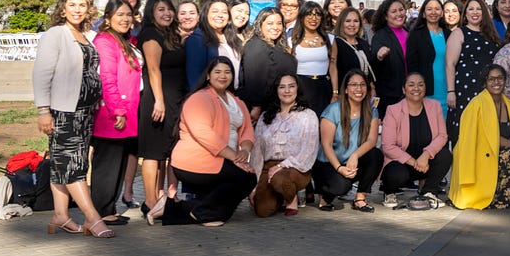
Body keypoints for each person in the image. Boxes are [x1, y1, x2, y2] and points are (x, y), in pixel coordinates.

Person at [33, 0, 114, 238]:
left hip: (84, 112)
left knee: (61, 165)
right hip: (63, 111)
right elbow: (41, 73)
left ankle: (60, 215)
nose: (77, 9)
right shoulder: (56, 34)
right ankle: (93, 218)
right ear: (63, 8)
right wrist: (43, 110)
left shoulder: (84, 35)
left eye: (82, 5)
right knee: (73, 166)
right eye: (72, 4)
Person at [153, 57, 258, 227]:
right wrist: (234, 158)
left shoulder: (236, 101)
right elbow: (204, 134)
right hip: (195, 160)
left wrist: (244, 152)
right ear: (208, 76)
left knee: (243, 180)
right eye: (217, 72)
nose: (223, 76)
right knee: (245, 178)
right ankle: (200, 213)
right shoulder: (199, 98)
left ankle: (175, 209)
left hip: (223, 159)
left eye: (227, 72)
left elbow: (247, 130)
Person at [90, 0, 142, 225]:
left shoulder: (126, 40)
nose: (125, 19)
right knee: (107, 165)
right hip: (111, 114)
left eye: (128, 15)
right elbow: (107, 79)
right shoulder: (105, 41)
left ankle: (109, 208)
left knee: (118, 164)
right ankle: (100, 212)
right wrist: (117, 109)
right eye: (120, 14)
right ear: (108, 18)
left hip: (127, 113)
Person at [136, 0, 186, 219]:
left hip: (172, 100)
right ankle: (149, 201)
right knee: (153, 153)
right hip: (158, 101)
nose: (167, 13)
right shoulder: (150, 35)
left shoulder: (170, 35)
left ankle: (162, 198)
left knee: (166, 151)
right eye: (160, 10)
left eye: (169, 9)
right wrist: (159, 100)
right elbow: (154, 69)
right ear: (151, 14)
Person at [449, 64, 510, 209]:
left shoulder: (509, 104)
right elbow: (483, 138)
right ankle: (492, 198)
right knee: (508, 154)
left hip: (498, 151)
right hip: (479, 153)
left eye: (500, 78)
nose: (496, 82)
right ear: (485, 82)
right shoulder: (476, 104)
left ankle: (504, 198)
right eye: (492, 79)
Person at [314, 70, 384, 212]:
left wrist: (355, 155)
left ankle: (360, 198)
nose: (358, 89)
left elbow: (372, 140)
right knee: (341, 187)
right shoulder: (333, 110)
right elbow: (326, 145)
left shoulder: (371, 110)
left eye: (362, 85)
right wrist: (339, 168)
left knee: (375, 155)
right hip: (328, 163)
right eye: (353, 85)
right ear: (345, 89)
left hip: (352, 161)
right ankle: (325, 196)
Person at [250, 73, 319, 217]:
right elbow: (257, 152)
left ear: (297, 89)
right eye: (282, 87)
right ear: (276, 90)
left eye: (291, 86)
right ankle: (279, 196)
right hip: (268, 167)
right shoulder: (265, 116)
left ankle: (291, 199)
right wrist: (254, 186)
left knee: (279, 179)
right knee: (262, 210)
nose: (287, 91)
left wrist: (281, 166)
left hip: (296, 167)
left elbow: (308, 150)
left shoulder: (308, 115)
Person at [380, 72, 452, 205]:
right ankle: (389, 191)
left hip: (425, 163)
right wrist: (414, 162)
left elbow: (443, 136)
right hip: (402, 164)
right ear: (404, 89)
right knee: (396, 174)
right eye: (411, 85)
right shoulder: (393, 110)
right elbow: (388, 146)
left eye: (420, 84)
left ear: (425, 88)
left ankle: (428, 191)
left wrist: (426, 155)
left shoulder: (434, 106)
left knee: (445, 155)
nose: (416, 88)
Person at [445, 0, 502, 141]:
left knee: (485, 132)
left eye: (478, 9)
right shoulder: (459, 33)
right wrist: (451, 92)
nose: (475, 12)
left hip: (488, 89)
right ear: (465, 13)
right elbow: (450, 64)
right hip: (465, 88)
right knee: (466, 132)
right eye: (471, 9)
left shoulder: (491, 34)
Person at [239, 7, 298, 124]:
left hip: (274, 108)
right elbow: (253, 78)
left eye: (279, 23)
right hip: (260, 111)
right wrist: (256, 106)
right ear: (260, 25)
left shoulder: (275, 46)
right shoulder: (256, 46)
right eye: (270, 23)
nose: (275, 27)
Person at [290, 0, 338, 116]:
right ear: (302, 17)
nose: (313, 18)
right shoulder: (291, 41)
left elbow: (333, 67)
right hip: (301, 88)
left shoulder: (330, 39)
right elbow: (289, 70)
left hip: (323, 87)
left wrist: (335, 92)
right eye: (309, 14)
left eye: (317, 14)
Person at [406, 0, 451, 115]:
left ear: (442, 12)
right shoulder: (416, 35)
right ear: (424, 13)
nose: (433, 12)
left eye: (437, 9)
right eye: (429, 9)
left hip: (448, 88)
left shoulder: (449, 34)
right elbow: (411, 64)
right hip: (427, 89)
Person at [371, 0, 409, 116]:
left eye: (401, 10)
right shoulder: (381, 35)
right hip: (390, 95)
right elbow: (374, 61)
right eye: (394, 11)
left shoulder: (409, 32)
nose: (399, 14)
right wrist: (379, 56)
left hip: (409, 92)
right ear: (386, 16)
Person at [333, 7, 375, 102]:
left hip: (364, 94)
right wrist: (335, 93)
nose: (352, 24)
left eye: (356, 21)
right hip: (344, 95)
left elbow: (369, 69)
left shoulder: (363, 43)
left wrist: (372, 88)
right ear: (341, 23)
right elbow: (333, 70)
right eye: (348, 21)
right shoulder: (336, 44)